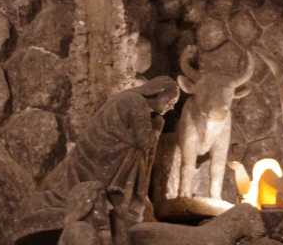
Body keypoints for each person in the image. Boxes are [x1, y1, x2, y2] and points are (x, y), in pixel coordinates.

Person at [36, 77, 180, 229]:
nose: (171, 107)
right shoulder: (137, 103)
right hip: (106, 155)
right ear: (158, 92)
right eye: (170, 101)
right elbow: (145, 142)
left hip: (94, 151)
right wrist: (157, 126)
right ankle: (125, 206)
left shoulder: (126, 97)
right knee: (136, 155)